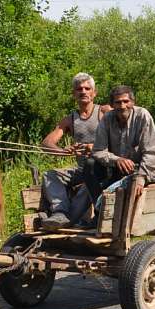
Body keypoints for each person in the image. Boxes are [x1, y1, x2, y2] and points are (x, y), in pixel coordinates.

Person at [37, 73, 111, 228]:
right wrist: (64, 151)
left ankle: (72, 220)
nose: (83, 91)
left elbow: (120, 138)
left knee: (83, 195)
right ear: (74, 94)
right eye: (79, 89)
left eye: (87, 88)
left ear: (94, 93)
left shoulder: (104, 112)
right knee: (50, 175)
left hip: (105, 169)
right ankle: (59, 212)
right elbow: (46, 143)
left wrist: (95, 147)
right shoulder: (70, 119)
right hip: (83, 170)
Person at [91, 85, 155, 187]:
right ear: (112, 105)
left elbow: (151, 152)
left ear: (133, 102)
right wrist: (117, 160)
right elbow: (98, 150)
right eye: (118, 102)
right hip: (116, 170)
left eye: (126, 101)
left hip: (140, 169)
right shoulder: (107, 119)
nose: (122, 106)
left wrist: (141, 178)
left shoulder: (142, 116)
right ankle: (99, 200)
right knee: (90, 164)